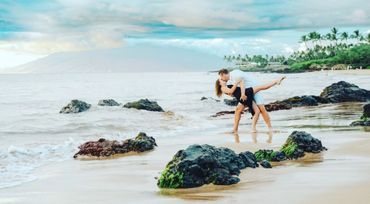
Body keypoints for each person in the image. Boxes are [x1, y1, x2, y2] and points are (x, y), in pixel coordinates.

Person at [215, 69, 285, 133]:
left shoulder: (235, 74)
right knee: (241, 110)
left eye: (221, 78)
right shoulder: (226, 83)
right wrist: (237, 92)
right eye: (221, 80)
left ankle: (268, 128)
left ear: (222, 74)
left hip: (250, 88)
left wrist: (241, 94)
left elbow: (240, 84)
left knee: (261, 108)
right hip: (247, 93)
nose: (222, 80)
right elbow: (232, 91)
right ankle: (238, 129)